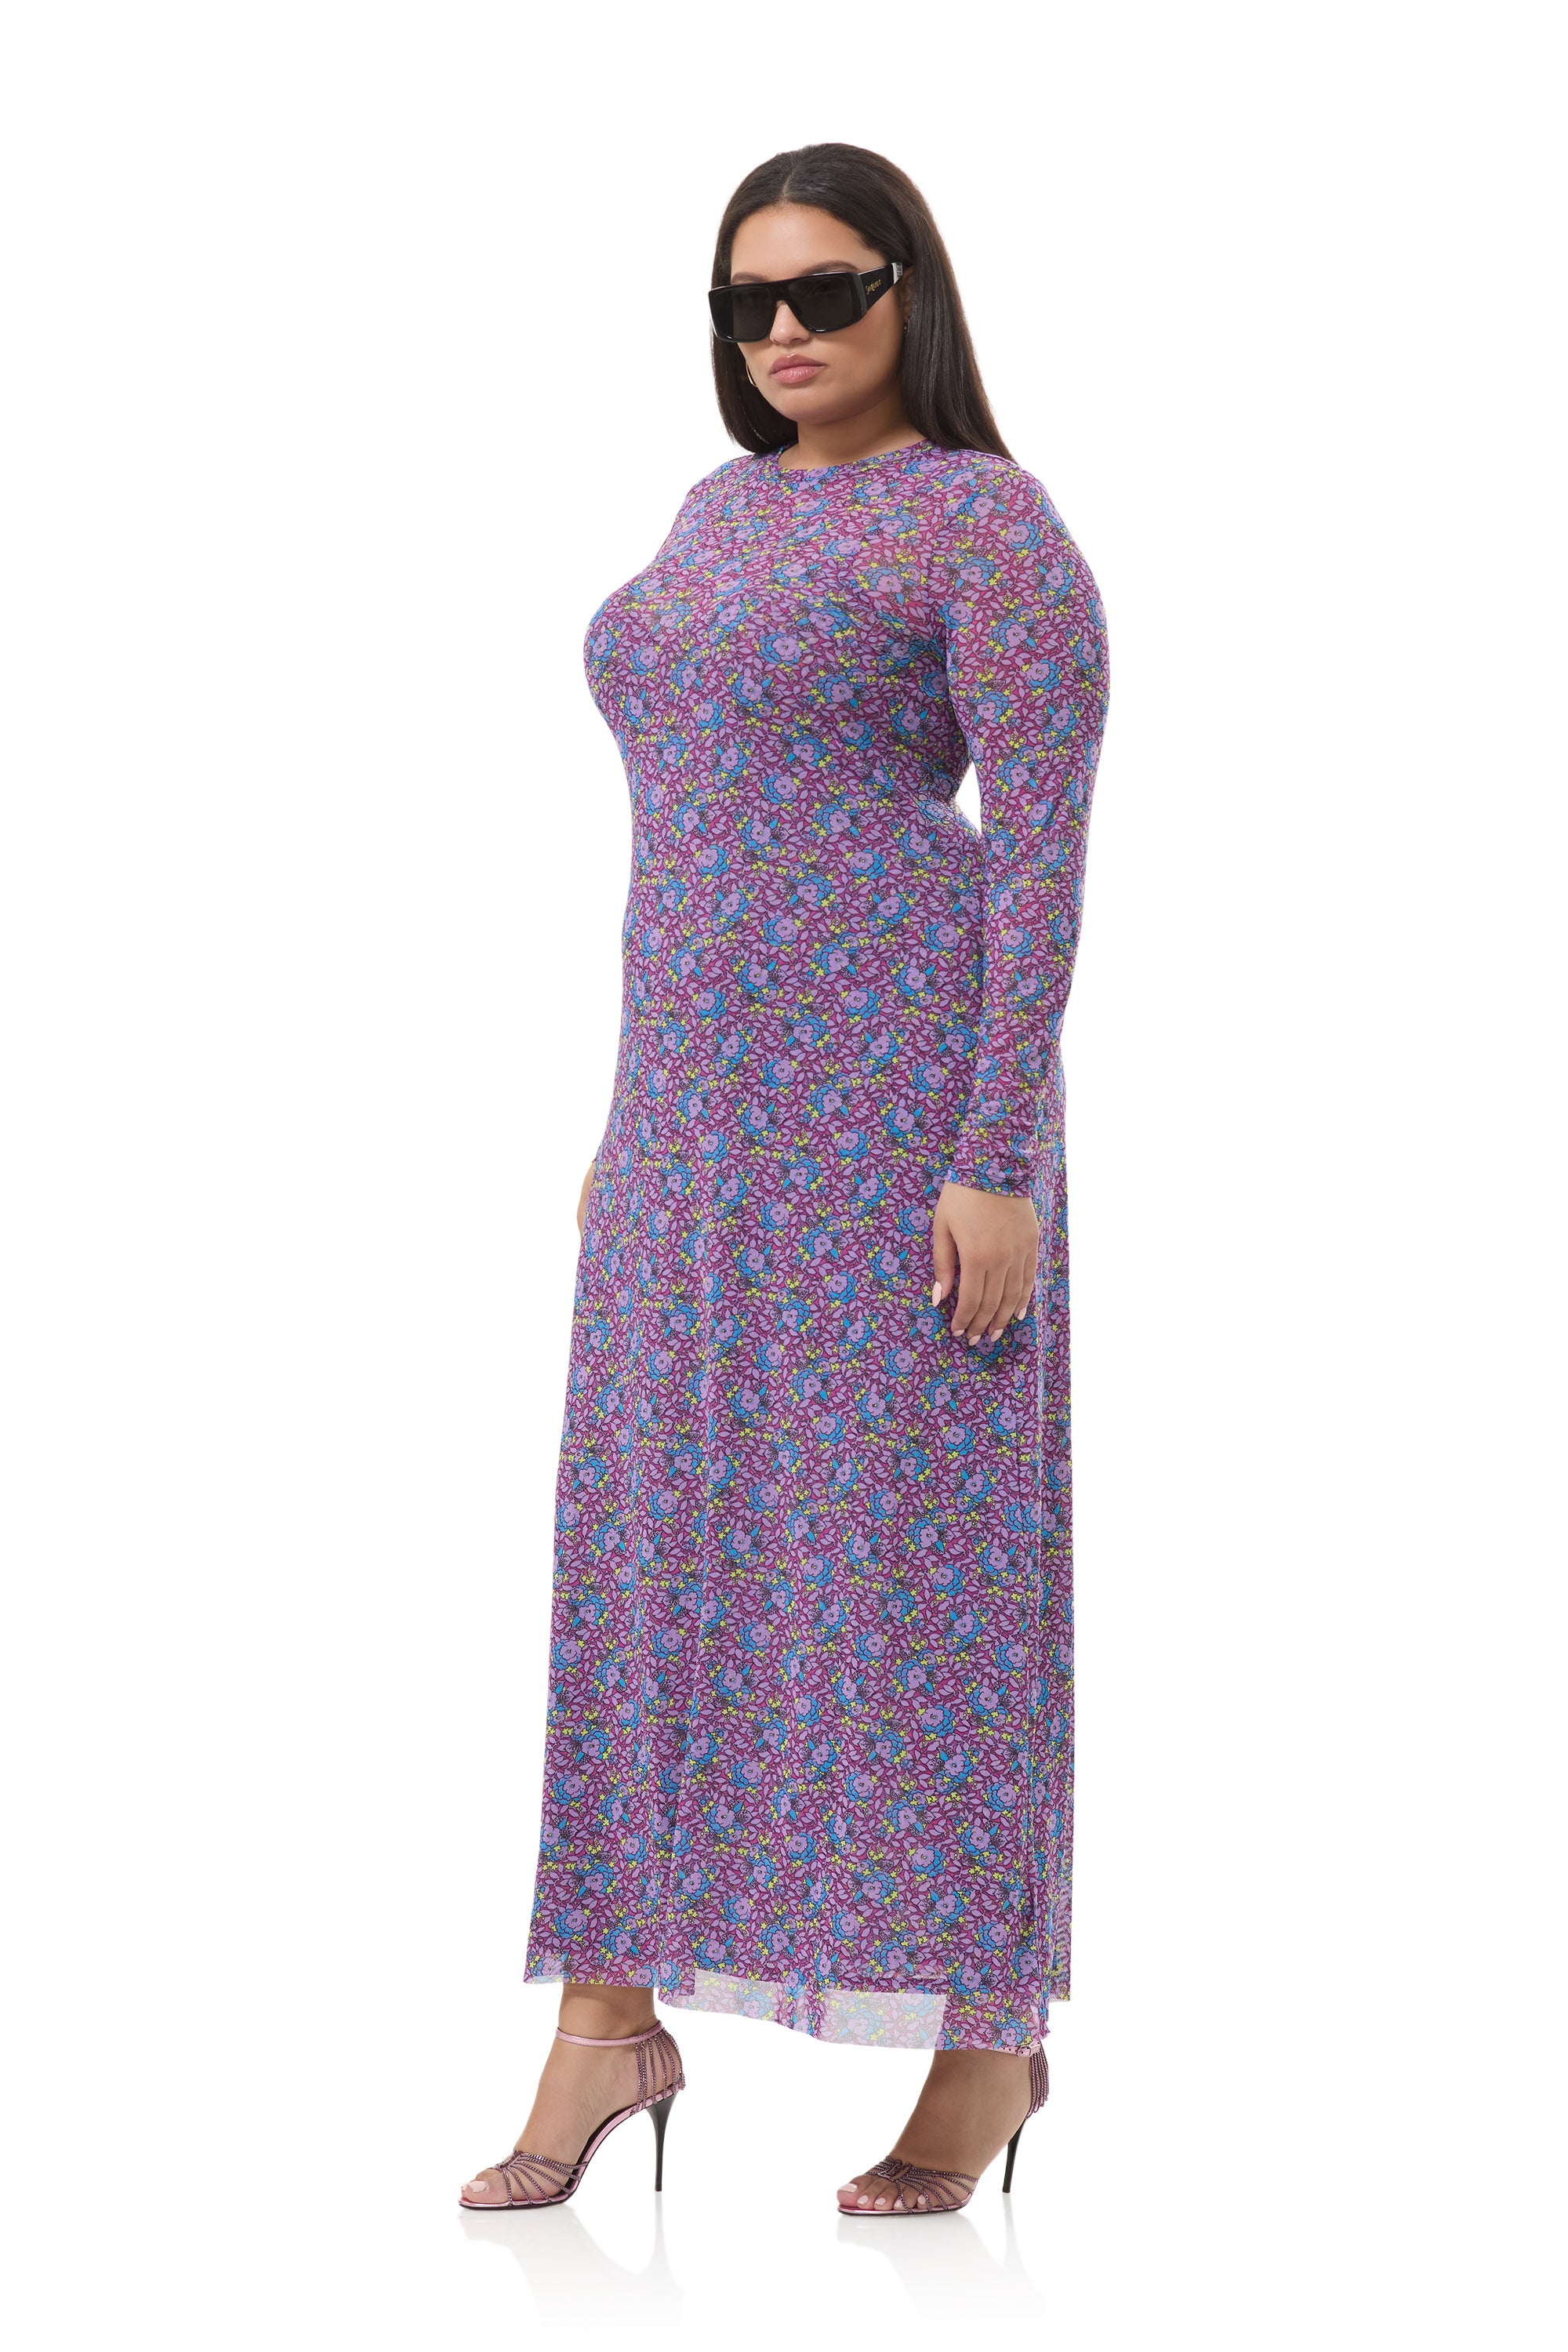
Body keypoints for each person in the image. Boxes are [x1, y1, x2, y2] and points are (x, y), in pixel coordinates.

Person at [461, 140, 1109, 2219]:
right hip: (691, 1134)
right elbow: (696, 842)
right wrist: (630, 1114)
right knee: (648, 1557)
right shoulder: (713, 512)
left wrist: (996, 1159)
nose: (788, 330)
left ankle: (990, 2044)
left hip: (900, 1121)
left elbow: (1040, 859)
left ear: (912, 291)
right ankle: (607, 2020)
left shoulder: (988, 522)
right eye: (750, 300)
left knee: (919, 1572)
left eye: (829, 289)